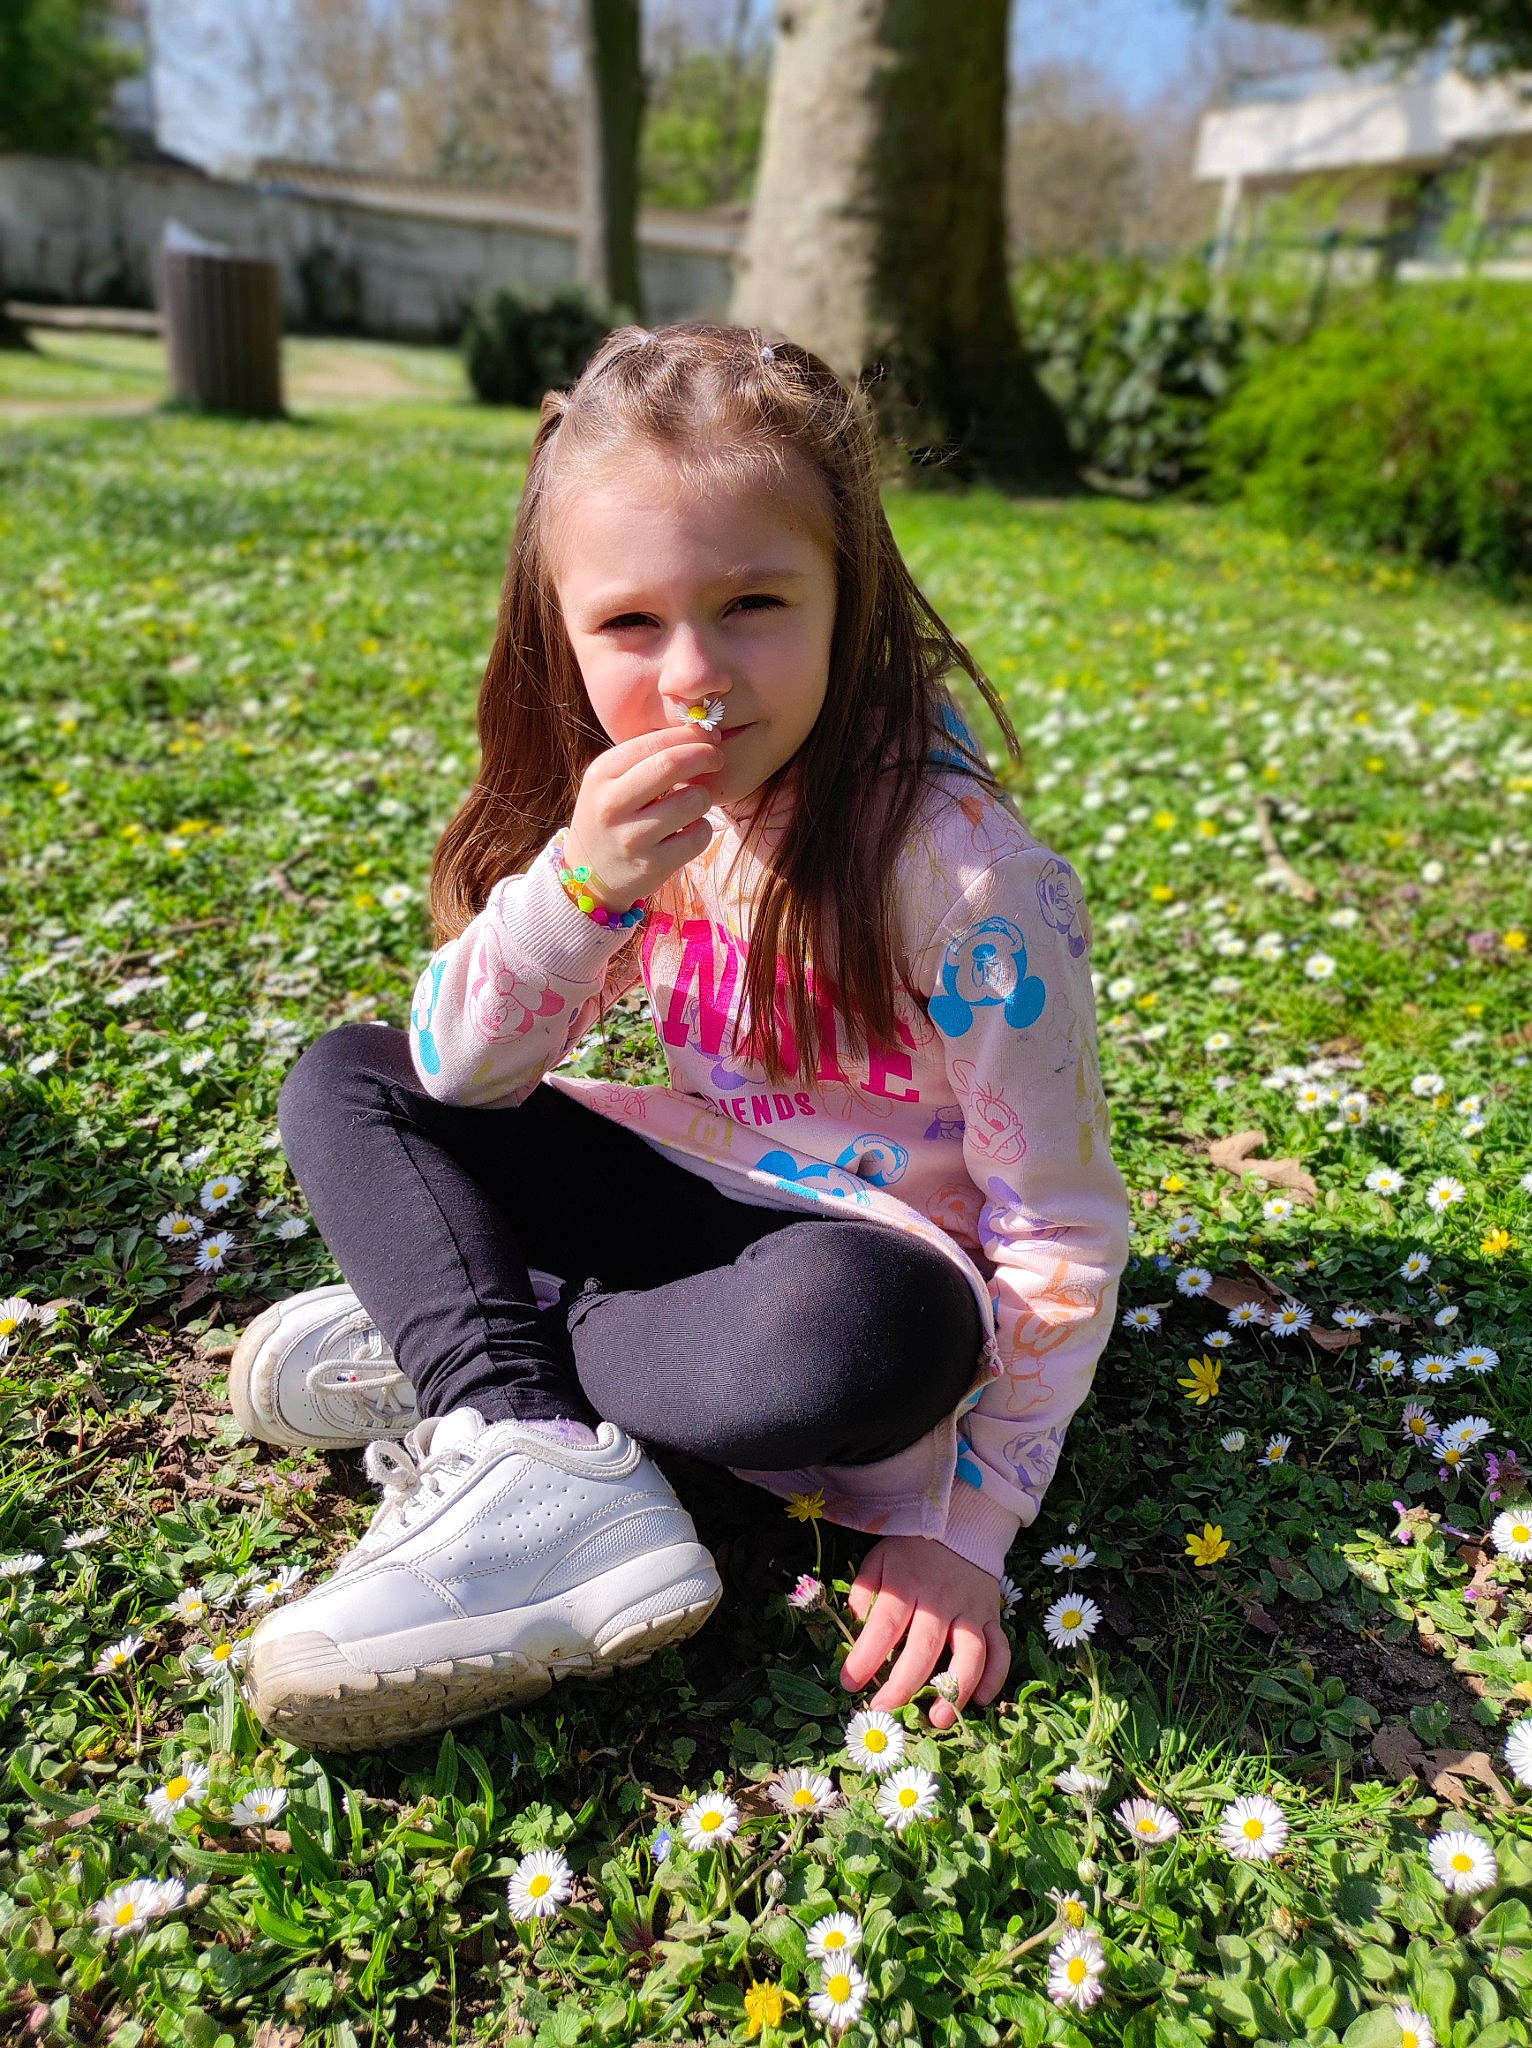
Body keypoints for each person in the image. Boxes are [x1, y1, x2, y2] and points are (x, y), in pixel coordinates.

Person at [233, 320, 1130, 1753]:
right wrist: (581, 889)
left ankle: (474, 1325)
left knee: (852, 1341)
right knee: (354, 1073)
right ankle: (519, 1433)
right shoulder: (632, 819)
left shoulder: (965, 879)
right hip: (694, 1206)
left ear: (852, 595)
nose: (696, 678)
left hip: (866, 1276)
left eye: (756, 603)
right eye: (632, 626)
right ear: (563, 629)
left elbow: (1063, 1227)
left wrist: (971, 1528)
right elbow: (467, 1073)